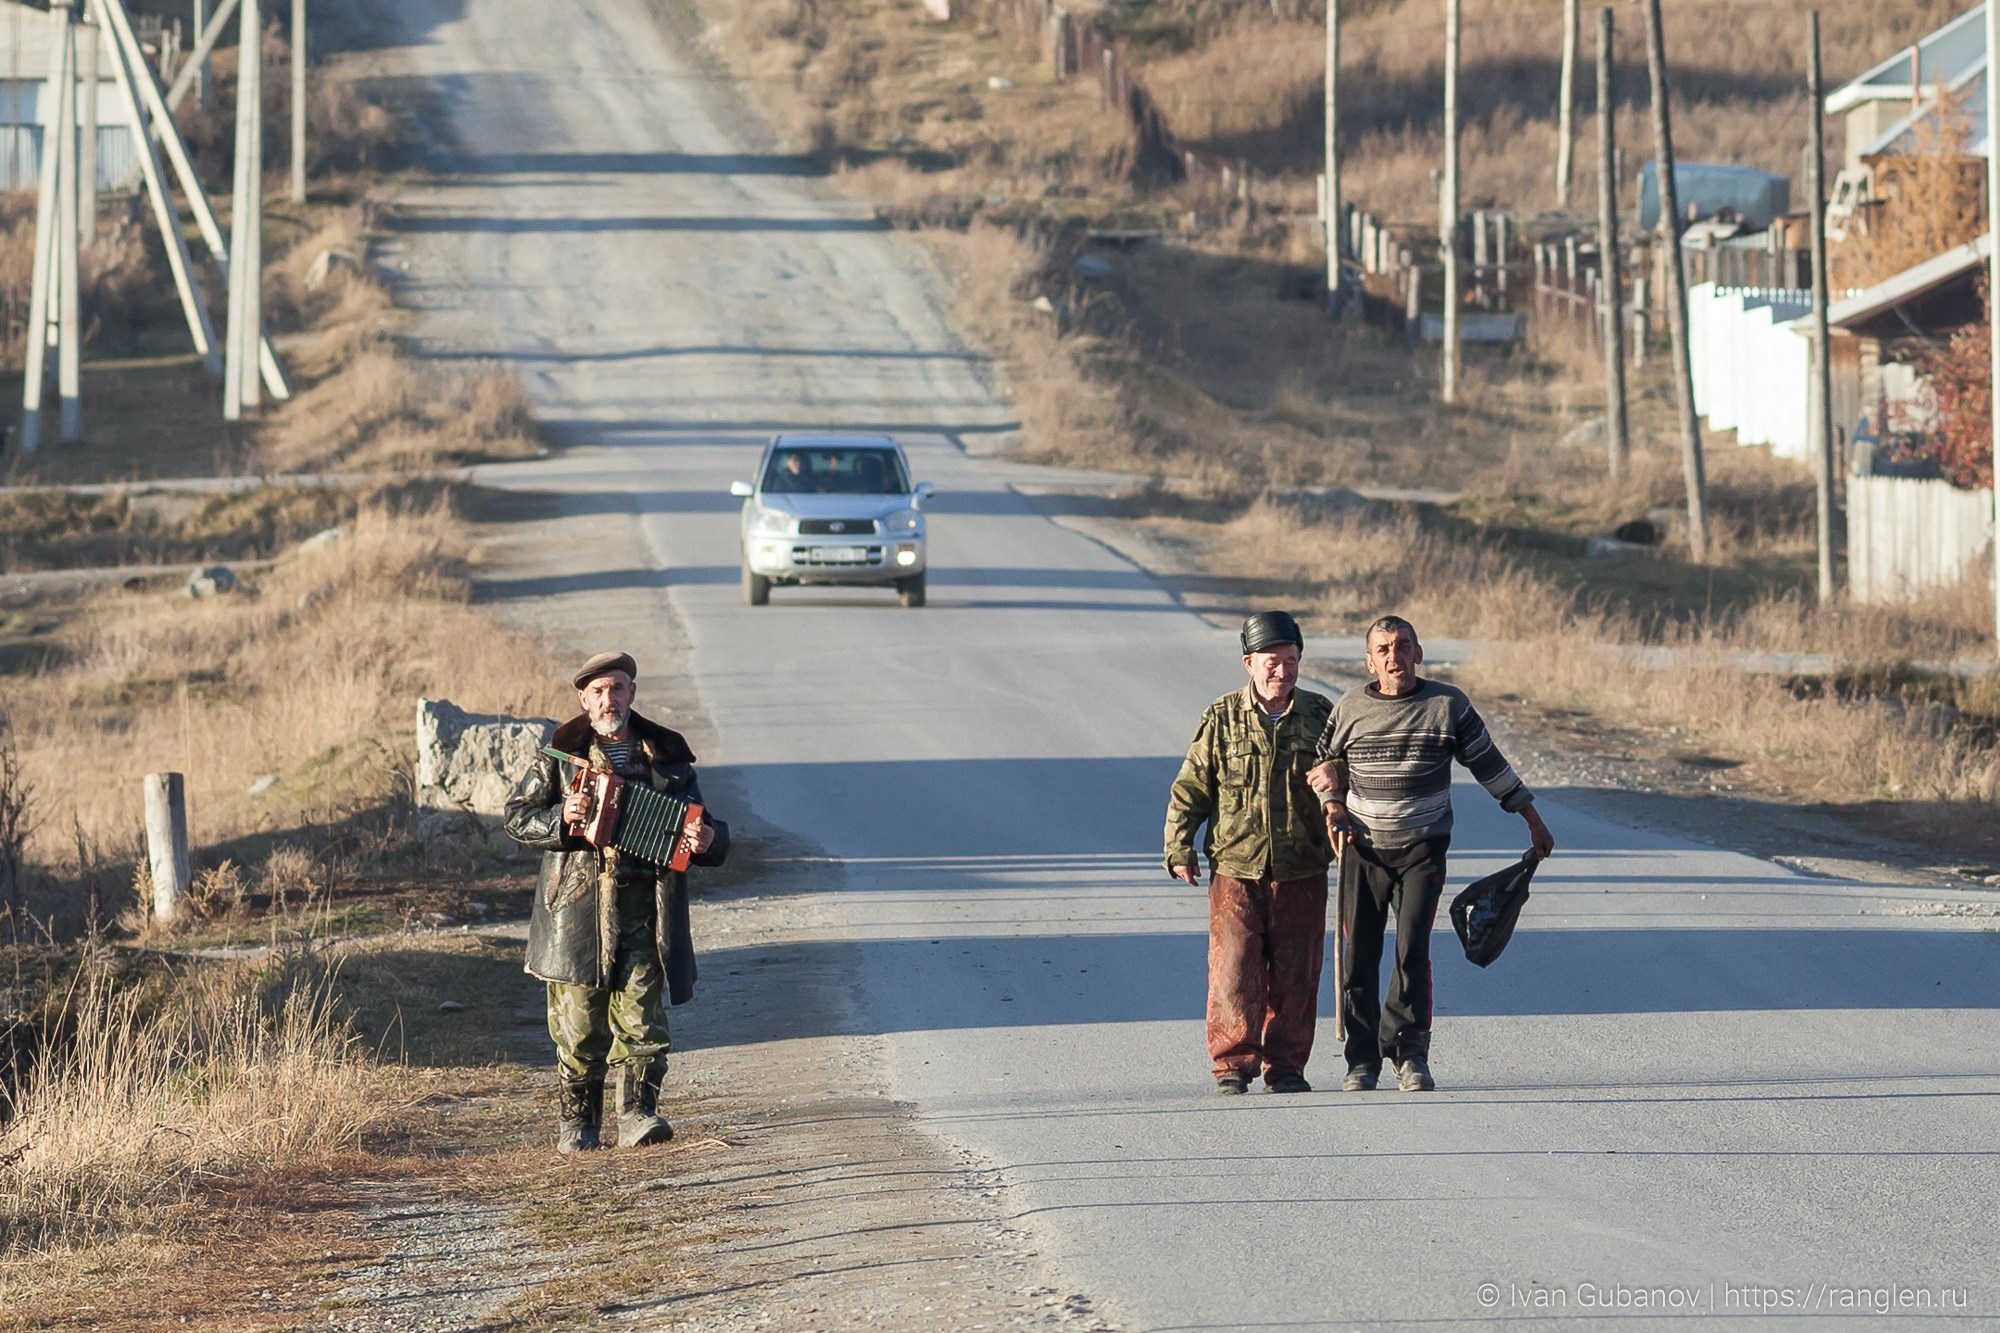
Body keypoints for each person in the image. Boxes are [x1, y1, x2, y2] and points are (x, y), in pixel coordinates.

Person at [1308, 616, 1554, 1094]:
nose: (1393, 656)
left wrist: (1532, 818)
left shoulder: (1447, 705)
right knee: (1358, 955)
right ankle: (1361, 1062)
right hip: (1362, 848)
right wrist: (1333, 804)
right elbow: (1320, 766)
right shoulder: (1351, 707)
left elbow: (1489, 763)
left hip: (1423, 846)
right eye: (1382, 649)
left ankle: (1408, 1052)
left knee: (1412, 951)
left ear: (1418, 653)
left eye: (1402, 646)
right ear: (1369, 660)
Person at [504, 652, 730, 1154]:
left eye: (620, 688)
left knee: (644, 1023)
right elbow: (517, 818)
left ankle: (638, 1117)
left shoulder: (667, 758)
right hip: (576, 912)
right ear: (584, 699)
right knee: (578, 1026)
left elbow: (709, 831)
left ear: (633, 693)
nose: (611, 699)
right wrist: (562, 816)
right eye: (600, 691)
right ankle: (578, 1126)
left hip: (648, 910)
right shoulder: (560, 758)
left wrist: (707, 837)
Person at [1165, 612, 1337, 1095]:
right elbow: (1192, 786)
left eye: (1291, 661)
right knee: (1233, 969)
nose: (1282, 672)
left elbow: (1346, 780)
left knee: (1297, 974)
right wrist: (1180, 846)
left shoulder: (1321, 715)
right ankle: (1233, 1065)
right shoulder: (1221, 717)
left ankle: (1285, 1067)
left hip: (1301, 866)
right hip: (1236, 866)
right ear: (1249, 663)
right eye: (1271, 663)